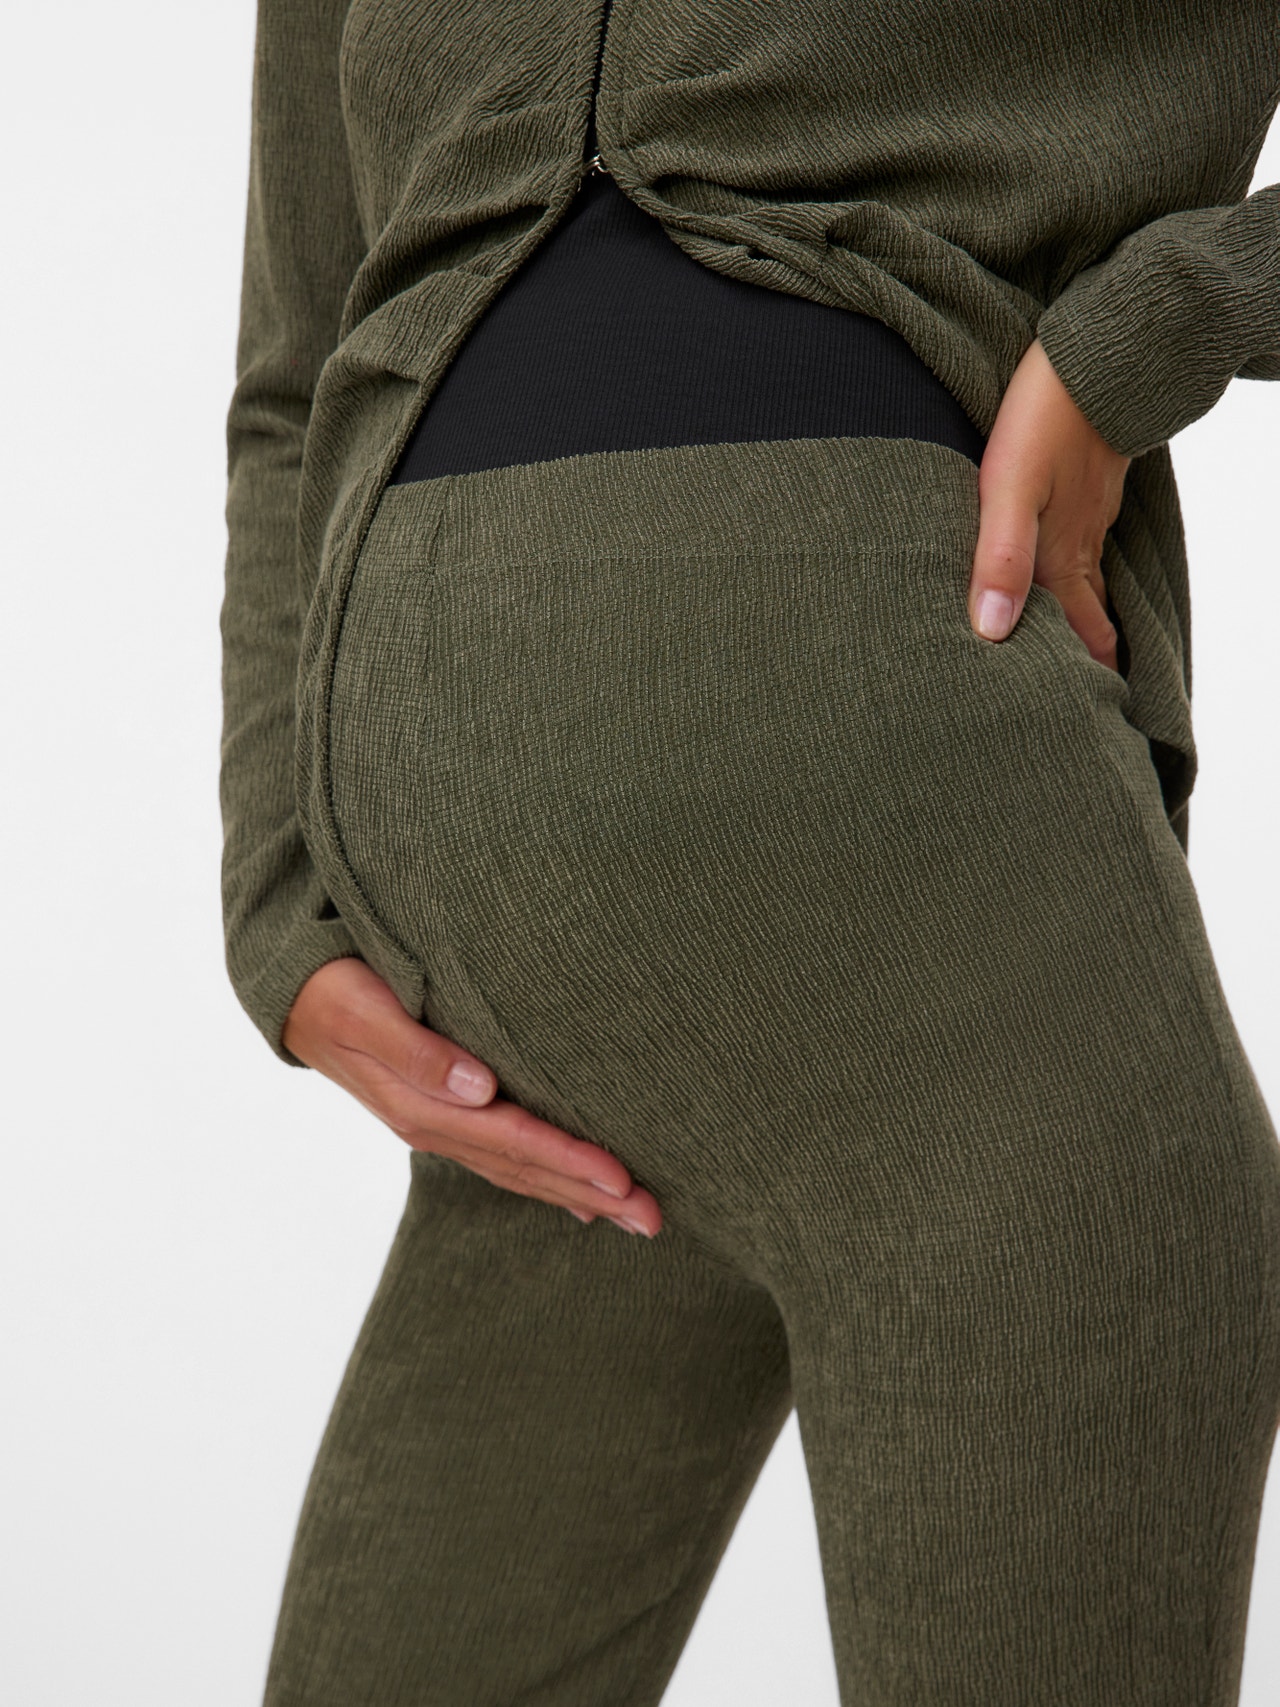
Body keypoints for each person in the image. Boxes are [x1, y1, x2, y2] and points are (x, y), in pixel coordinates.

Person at [220, 2, 1280, 1701]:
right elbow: (298, 362)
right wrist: (276, 889)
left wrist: (1164, 326)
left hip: (959, 934)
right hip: (543, 1043)